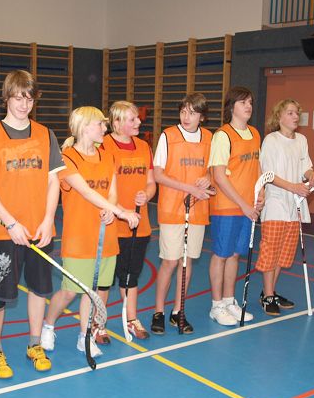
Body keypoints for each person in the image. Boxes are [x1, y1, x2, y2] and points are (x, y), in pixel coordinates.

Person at [0, 70, 63, 378]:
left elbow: (53, 181)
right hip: (5, 232)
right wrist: (10, 223)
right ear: (6, 98)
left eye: (29, 98)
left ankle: (35, 345)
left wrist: (48, 220)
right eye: (18, 98)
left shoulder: (46, 134)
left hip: (40, 230)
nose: (24, 105)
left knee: (39, 290)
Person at [42, 106, 140, 356]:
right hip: (79, 237)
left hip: (105, 236)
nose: (105, 128)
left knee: (93, 292)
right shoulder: (67, 157)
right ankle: (48, 325)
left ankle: (84, 336)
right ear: (85, 127)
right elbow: (85, 191)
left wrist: (110, 209)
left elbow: (112, 192)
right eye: (101, 124)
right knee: (69, 291)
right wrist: (120, 212)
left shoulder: (107, 156)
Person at [150, 93, 215, 335]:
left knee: (186, 262)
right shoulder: (168, 136)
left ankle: (178, 311)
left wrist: (207, 177)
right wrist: (189, 188)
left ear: (202, 117)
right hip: (172, 209)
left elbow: (214, 170)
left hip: (198, 209)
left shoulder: (209, 138)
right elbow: (158, 174)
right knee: (170, 261)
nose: (186, 117)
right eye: (183, 111)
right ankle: (159, 311)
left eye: (192, 113)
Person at [257, 99, 314, 316]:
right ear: (279, 117)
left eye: (297, 113)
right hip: (275, 204)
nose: (296, 117)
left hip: (294, 206)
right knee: (271, 251)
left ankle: (270, 292)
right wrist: (294, 187)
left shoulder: (301, 140)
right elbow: (268, 174)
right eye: (290, 113)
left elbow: (305, 166)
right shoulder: (271, 140)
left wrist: (312, 175)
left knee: (283, 254)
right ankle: (268, 296)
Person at [101, 101, 156, 340]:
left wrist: (147, 194)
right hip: (111, 224)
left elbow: (151, 182)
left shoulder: (144, 146)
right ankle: (98, 322)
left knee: (131, 276)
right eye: (132, 119)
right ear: (117, 122)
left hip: (138, 225)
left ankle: (131, 319)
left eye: (137, 118)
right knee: (104, 280)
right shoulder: (104, 145)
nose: (139, 122)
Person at [207, 86, 262, 327]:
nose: (248, 106)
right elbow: (219, 176)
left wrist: (261, 193)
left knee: (235, 255)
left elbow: (257, 168)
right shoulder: (223, 136)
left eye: (250, 102)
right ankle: (216, 305)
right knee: (221, 254)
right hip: (228, 206)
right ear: (231, 107)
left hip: (248, 207)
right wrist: (243, 204)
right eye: (243, 102)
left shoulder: (255, 133)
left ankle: (229, 301)